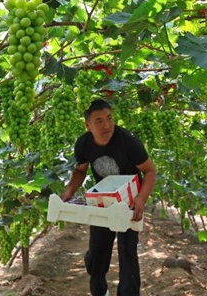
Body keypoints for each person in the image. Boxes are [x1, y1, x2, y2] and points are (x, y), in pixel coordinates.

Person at [61, 99, 157, 296]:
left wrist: (140, 200)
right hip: (103, 201)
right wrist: (69, 191)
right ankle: (99, 291)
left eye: (109, 118)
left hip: (130, 202)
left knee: (127, 251)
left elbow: (149, 172)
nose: (107, 125)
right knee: (97, 252)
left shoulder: (128, 141)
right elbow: (80, 171)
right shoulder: (83, 143)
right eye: (99, 121)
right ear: (88, 125)